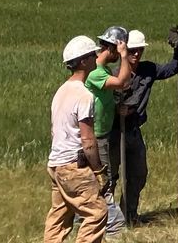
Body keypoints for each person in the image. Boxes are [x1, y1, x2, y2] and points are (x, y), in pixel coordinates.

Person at [104, 26, 178, 226]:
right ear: (125, 50)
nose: (136, 54)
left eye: (140, 50)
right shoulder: (116, 74)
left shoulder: (148, 70)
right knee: (110, 178)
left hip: (133, 131)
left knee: (138, 175)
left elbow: (174, 67)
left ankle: (129, 216)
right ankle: (106, 221)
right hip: (115, 132)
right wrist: (117, 109)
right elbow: (101, 103)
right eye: (132, 50)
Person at [47, 35, 109, 243]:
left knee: (59, 218)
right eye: (93, 55)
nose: (96, 58)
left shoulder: (61, 91)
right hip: (74, 167)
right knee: (97, 212)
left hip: (55, 165)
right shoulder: (84, 95)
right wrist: (99, 170)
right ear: (83, 61)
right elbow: (88, 140)